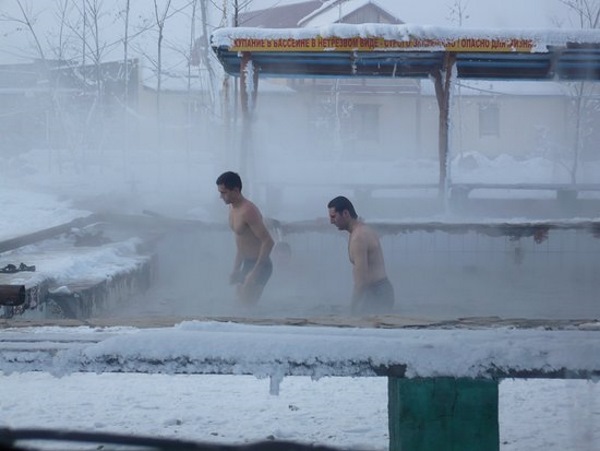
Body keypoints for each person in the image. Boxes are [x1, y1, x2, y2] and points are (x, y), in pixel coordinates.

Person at [327, 196, 395, 315]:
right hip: (382, 290)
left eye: (333, 217)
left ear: (345, 213)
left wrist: (351, 310)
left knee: (361, 325)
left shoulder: (358, 238)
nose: (331, 221)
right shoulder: (363, 230)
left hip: (376, 293)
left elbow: (361, 282)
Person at [216, 171, 274, 305]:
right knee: (239, 303)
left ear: (235, 190)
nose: (221, 196)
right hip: (246, 263)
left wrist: (255, 271)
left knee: (247, 306)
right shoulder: (232, 208)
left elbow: (268, 241)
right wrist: (236, 268)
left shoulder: (248, 211)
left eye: (224, 192)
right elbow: (240, 241)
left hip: (260, 264)